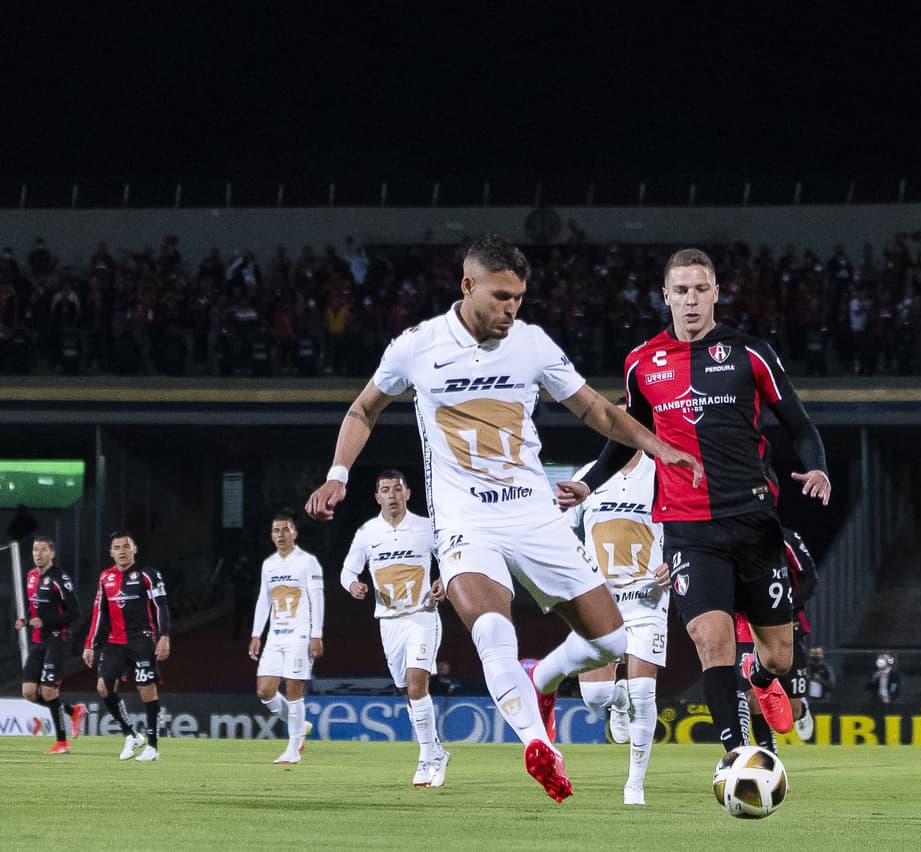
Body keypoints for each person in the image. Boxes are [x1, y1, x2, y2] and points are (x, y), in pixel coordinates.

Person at [305, 234, 702, 803]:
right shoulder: (416, 346)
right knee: (492, 631)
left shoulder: (532, 345)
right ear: (468, 287)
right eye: (501, 296)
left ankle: (542, 678)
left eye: (519, 297)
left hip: (534, 515)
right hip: (466, 521)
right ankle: (540, 745)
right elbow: (364, 408)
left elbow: (594, 408)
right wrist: (339, 474)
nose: (511, 308)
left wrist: (658, 447)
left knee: (612, 639)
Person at [558, 247, 831, 752]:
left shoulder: (752, 353)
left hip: (752, 519)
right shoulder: (642, 363)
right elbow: (627, 438)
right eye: (680, 291)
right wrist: (589, 485)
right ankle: (737, 754)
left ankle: (761, 676)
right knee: (712, 643)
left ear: (716, 294)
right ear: (665, 297)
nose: (690, 300)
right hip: (687, 529)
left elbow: (799, 422)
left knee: (778, 657)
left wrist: (817, 466)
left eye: (700, 289)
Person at [565, 430, 668, 805]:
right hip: (601, 600)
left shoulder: (661, 477)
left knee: (644, 691)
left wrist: (674, 561)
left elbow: (685, 529)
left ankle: (634, 786)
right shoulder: (586, 476)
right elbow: (556, 530)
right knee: (594, 698)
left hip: (647, 596)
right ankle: (615, 701)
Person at [340, 470, 450, 788]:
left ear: (408, 494)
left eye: (397, 489)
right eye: (385, 490)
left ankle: (427, 759)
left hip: (422, 616)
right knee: (407, 692)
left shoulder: (426, 527)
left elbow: (452, 557)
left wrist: (444, 579)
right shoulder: (368, 532)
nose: (391, 495)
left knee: (417, 686)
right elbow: (347, 569)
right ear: (377, 497)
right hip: (389, 623)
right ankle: (437, 751)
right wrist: (353, 585)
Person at [82, 531, 171, 762]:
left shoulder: (147, 574)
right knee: (103, 688)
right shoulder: (105, 578)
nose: (122, 551)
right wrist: (90, 644)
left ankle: (152, 746)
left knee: (146, 689)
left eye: (126, 546)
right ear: (110, 552)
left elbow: (161, 606)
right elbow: (98, 613)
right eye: (117, 547)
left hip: (142, 640)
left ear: (135, 549)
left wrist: (164, 636)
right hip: (114, 642)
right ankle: (130, 734)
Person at [733, 527, 820, 751]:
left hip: (783, 621)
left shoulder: (786, 538)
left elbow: (810, 579)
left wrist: (787, 609)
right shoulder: (726, 537)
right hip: (744, 621)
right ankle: (765, 756)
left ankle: (802, 709)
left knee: (792, 711)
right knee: (751, 691)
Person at [248, 513, 324, 765]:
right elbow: (264, 600)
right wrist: (256, 634)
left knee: (294, 688)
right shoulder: (268, 564)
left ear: (295, 533)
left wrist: (316, 635)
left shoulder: (307, 562)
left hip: (299, 634)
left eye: (285, 530)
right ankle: (300, 724)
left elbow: (317, 599)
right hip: (275, 635)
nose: (280, 535)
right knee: (265, 691)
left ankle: (293, 747)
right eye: (275, 530)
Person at [15, 535, 86, 753]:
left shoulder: (60, 578)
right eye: (35, 550)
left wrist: (46, 621)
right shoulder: (31, 576)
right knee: (28, 692)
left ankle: (62, 742)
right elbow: (35, 607)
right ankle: (72, 711)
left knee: (47, 691)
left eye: (43, 550)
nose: (38, 554)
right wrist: (27, 620)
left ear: (52, 553)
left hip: (58, 639)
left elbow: (75, 612)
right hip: (38, 641)